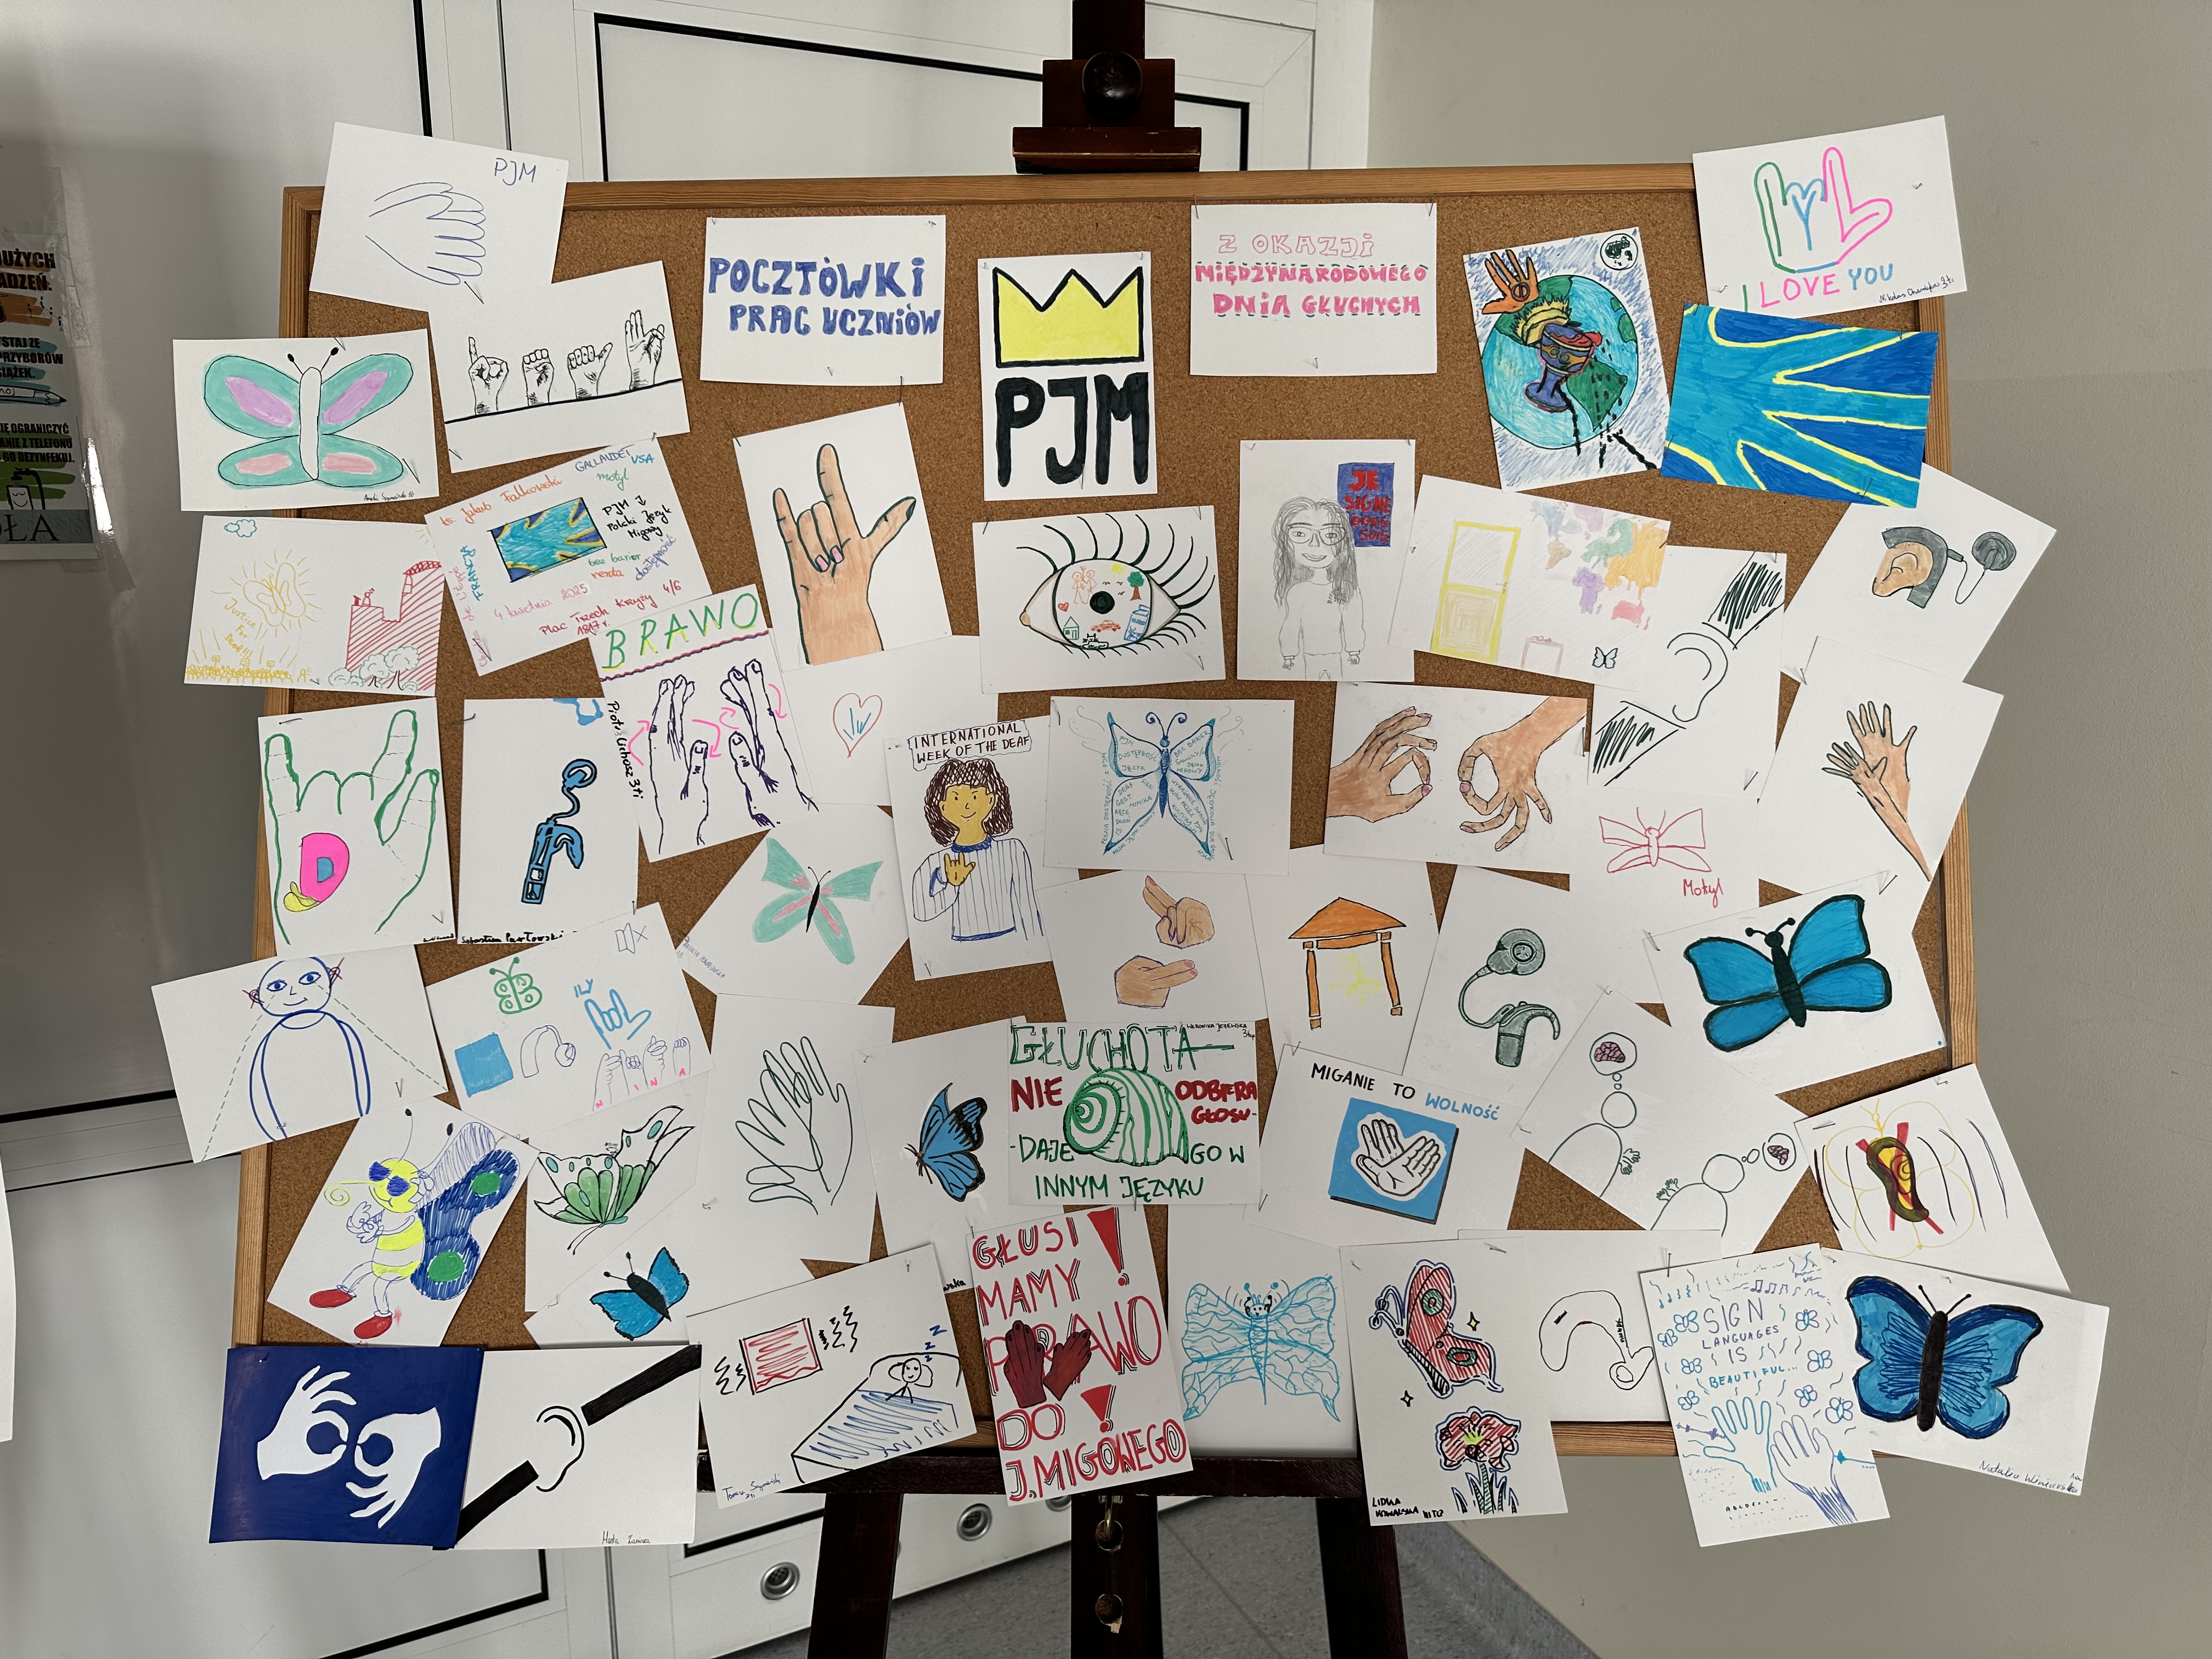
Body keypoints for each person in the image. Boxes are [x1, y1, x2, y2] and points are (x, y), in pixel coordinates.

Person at [910, 756, 1042, 943]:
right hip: (962, 945)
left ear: (991, 800)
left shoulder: (1012, 849)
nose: (966, 806)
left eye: (974, 796)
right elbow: (922, 912)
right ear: (943, 808)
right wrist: (952, 886)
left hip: (1010, 939)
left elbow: (1028, 905)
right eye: (956, 798)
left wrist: (1036, 945)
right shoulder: (936, 861)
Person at [1272, 496, 1363, 679]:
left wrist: (1354, 650)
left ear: (1343, 543)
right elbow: (1291, 624)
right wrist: (1289, 654)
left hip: (1335, 653)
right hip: (1310, 654)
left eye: (1330, 535)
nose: (1315, 544)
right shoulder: (1297, 591)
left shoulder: (1346, 588)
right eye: (1300, 533)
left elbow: (1352, 621)